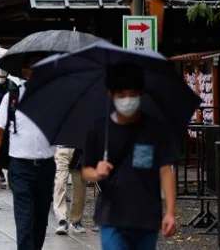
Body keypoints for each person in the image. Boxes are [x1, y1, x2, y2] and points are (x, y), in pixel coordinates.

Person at [81, 62, 177, 250]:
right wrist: (97, 173)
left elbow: (166, 170)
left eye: (132, 94)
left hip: (147, 216)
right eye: (121, 94)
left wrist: (171, 212)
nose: (127, 99)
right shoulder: (99, 130)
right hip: (112, 217)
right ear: (111, 95)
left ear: (141, 93)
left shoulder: (156, 129)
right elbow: (86, 170)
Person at [0, 57, 55, 250]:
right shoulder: (13, 97)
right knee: (25, 220)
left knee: (41, 220)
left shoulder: (54, 98)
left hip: (46, 166)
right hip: (20, 167)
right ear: (25, 72)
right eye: (33, 68)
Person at [53, 145, 86, 235]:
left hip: (81, 149)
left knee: (80, 188)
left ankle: (75, 221)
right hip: (63, 147)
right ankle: (62, 220)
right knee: (60, 184)